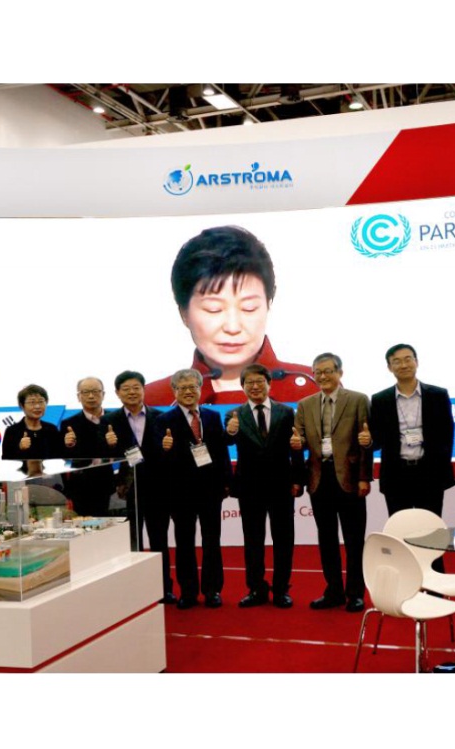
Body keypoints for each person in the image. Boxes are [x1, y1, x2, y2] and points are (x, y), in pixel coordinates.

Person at [143, 225, 320, 406]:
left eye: (248, 308)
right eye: (213, 309)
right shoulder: (151, 400)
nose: (232, 327)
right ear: (184, 313)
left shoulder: (316, 390)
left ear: (268, 305)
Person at [291, 353, 373, 612]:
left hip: (350, 478)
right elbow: (300, 439)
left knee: (354, 539)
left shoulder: (358, 400)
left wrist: (364, 477)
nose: (323, 376)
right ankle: (334, 591)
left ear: (340, 372)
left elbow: (365, 441)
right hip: (319, 478)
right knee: (326, 539)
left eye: (328, 371)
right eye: (318, 372)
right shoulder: (305, 404)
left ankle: (355, 593)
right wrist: (297, 443)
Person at [225, 364, 304, 609]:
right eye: (249, 383)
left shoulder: (286, 412)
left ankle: (281, 590)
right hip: (249, 487)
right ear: (243, 387)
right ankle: (256, 589)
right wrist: (229, 432)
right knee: (253, 541)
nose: (255, 386)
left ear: (269, 384)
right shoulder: (234, 415)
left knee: (284, 540)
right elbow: (225, 441)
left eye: (260, 382)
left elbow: (296, 447)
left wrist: (298, 479)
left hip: (281, 485)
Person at [156, 368, 232, 609]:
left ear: (200, 389)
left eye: (193, 387)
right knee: (184, 543)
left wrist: (226, 482)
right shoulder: (163, 420)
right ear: (174, 391)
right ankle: (188, 592)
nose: (188, 392)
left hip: (211, 491)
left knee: (212, 541)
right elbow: (158, 459)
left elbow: (221, 451)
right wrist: (164, 449)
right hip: (181, 493)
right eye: (183, 388)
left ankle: (212, 590)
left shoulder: (212, 416)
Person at [104, 370, 176, 604]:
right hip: (126, 490)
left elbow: (170, 454)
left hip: (157, 488)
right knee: (131, 542)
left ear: (144, 390)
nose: (132, 392)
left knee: (159, 541)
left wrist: (168, 448)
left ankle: (163, 588)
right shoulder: (109, 421)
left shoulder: (161, 417)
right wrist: (109, 445)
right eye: (126, 389)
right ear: (117, 393)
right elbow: (104, 457)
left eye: (136, 387)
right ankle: (134, 591)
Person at [364, 343, 455, 518]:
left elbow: (447, 435)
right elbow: (378, 440)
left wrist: (439, 466)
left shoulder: (437, 395)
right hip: (396, 475)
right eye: (397, 361)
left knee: (431, 527)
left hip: (430, 474)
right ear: (390, 367)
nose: (404, 365)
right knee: (400, 527)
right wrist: (368, 440)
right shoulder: (380, 399)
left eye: (408, 359)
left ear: (416, 362)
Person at [59, 376, 115, 516]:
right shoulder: (69, 423)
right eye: (85, 392)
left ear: (103, 394)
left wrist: (114, 444)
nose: (91, 396)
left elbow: (126, 449)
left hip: (109, 484)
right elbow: (63, 457)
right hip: (80, 486)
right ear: (78, 396)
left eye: (95, 391)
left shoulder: (116, 419)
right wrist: (68, 445)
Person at [1, 384, 62, 462]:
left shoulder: (52, 429)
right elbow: (6, 460)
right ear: (22, 406)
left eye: (41, 402)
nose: (37, 406)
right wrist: (19, 448)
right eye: (32, 402)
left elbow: (59, 458)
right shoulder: (12, 431)